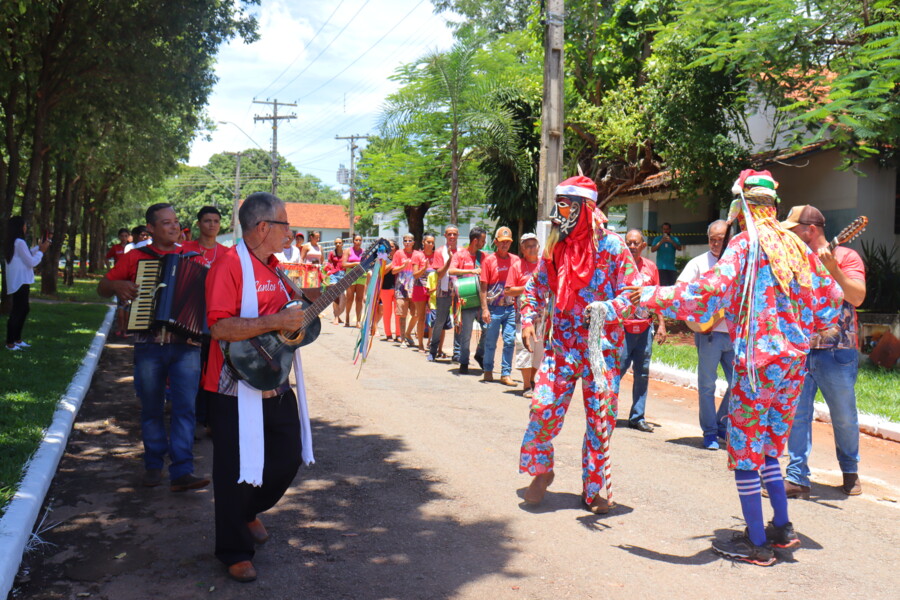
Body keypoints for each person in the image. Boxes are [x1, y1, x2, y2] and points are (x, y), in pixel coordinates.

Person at [631, 170, 843, 566]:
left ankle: (758, 545)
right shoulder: (796, 245)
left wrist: (649, 295)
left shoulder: (746, 244)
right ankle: (782, 529)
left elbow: (706, 292)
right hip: (793, 367)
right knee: (768, 450)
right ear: (774, 207)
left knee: (745, 451)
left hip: (757, 367)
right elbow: (831, 301)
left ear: (742, 208)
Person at [203, 192, 313, 583]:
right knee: (233, 471)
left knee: (288, 456)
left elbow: (287, 322)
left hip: (274, 381)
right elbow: (220, 327)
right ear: (263, 227)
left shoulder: (276, 268)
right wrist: (277, 322)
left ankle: (247, 510)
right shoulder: (228, 265)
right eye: (285, 224)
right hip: (232, 386)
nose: (291, 232)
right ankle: (234, 549)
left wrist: (305, 313)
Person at [519, 175, 638, 515]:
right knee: (542, 408)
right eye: (558, 204)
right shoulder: (557, 245)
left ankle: (594, 489)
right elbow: (536, 287)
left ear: (585, 208)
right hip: (562, 347)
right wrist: (528, 319)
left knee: (601, 421)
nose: (560, 212)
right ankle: (542, 471)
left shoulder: (613, 247)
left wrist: (607, 308)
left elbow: (633, 296)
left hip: (602, 352)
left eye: (567, 205)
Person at [97, 203, 210, 493]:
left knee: (186, 408)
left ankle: (182, 470)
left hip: (186, 346)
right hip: (149, 345)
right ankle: (152, 464)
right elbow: (102, 286)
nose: (174, 227)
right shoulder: (135, 257)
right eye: (166, 223)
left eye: (176, 222)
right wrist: (119, 285)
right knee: (151, 407)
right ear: (151, 229)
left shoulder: (194, 257)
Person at [782, 205, 866, 498]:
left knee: (843, 416)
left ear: (811, 230)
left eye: (795, 230)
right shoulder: (796, 260)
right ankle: (797, 476)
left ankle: (850, 470)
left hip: (837, 352)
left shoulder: (846, 257)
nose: (791, 235)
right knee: (797, 415)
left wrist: (834, 271)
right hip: (802, 350)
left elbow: (856, 296)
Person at [677, 220, 734, 450]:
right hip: (708, 333)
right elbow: (681, 289)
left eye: (720, 239)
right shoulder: (698, 263)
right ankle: (710, 432)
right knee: (708, 385)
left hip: (734, 334)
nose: (716, 243)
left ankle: (721, 422)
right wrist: (700, 311)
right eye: (712, 238)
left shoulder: (737, 264)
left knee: (740, 383)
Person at [181, 206, 229, 436]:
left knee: (215, 372)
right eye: (207, 220)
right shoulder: (185, 249)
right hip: (189, 320)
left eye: (216, 221)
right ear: (198, 224)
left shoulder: (228, 254)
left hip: (217, 321)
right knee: (192, 373)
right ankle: (193, 420)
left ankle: (211, 420)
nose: (212, 224)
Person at [619, 229, 667, 432]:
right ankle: (603, 410)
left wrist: (661, 324)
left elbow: (657, 298)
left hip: (644, 328)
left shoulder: (651, 268)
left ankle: (637, 416)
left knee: (642, 374)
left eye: (635, 243)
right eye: (628, 243)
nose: (632, 246)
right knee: (616, 370)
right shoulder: (619, 268)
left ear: (643, 246)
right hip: (622, 328)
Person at [479, 226, 520, 385]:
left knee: (509, 340)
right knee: (490, 341)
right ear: (496, 242)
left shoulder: (515, 260)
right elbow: (483, 287)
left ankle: (505, 373)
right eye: (502, 242)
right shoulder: (489, 261)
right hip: (493, 308)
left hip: (510, 308)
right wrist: (484, 309)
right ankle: (488, 370)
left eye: (508, 242)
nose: (505, 245)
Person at [504, 232, 541, 397]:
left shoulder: (544, 265)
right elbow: (508, 291)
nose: (532, 248)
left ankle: (533, 381)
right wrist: (528, 287)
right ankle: (526, 385)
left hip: (543, 314)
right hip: (523, 314)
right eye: (528, 246)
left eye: (534, 245)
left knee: (539, 348)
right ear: (523, 249)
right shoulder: (517, 266)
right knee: (524, 347)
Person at [4, 216, 50, 351]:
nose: (25, 228)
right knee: (18, 311)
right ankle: (10, 342)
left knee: (23, 309)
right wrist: (41, 251)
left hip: (18, 280)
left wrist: (39, 247)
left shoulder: (13, 242)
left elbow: (27, 255)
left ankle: (17, 340)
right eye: (24, 225)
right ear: (19, 227)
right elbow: (31, 262)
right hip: (21, 281)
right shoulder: (19, 242)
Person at [449, 227, 487, 373]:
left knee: (487, 328)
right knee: (466, 333)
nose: (484, 243)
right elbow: (451, 271)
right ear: (475, 240)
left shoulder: (483, 256)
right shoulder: (460, 255)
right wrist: (471, 271)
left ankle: (480, 354)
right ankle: (464, 362)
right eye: (482, 240)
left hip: (481, 300)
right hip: (466, 300)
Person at [427, 225, 460, 362]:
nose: (452, 237)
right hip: (443, 290)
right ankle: (433, 350)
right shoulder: (440, 252)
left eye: (454, 234)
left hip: (459, 291)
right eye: (449, 234)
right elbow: (439, 274)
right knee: (439, 322)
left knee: (459, 321)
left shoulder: (462, 252)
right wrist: (449, 262)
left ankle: (457, 353)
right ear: (445, 236)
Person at [392, 234, 424, 348]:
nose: (407, 242)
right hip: (401, 287)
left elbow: (422, 268)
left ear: (413, 242)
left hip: (415, 287)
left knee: (416, 314)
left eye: (409, 240)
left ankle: (407, 333)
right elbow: (393, 270)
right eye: (405, 240)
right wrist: (403, 266)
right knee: (402, 314)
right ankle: (402, 340)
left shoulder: (418, 254)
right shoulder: (398, 253)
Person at [413, 233, 443, 351]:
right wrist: (424, 268)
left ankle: (431, 343)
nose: (430, 244)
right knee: (421, 317)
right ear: (423, 242)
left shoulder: (437, 255)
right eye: (428, 242)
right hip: (420, 288)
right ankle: (420, 343)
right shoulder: (418, 256)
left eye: (432, 242)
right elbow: (415, 275)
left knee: (433, 318)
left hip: (433, 291)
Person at [376, 240, 400, 340]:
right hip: (385, 288)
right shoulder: (383, 257)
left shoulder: (399, 257)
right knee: (387, 312)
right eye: (388, 246)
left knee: (398, 312)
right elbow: (382, 272)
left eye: (392, 246)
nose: (390, 248)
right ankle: (388, 334)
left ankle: (398, 334)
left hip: (398, 288)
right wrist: (392, 264)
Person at [343, 234, 367, 328]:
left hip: (361, 275)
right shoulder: (348, 251)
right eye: (356, 240)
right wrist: (355, 263)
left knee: (359, 299)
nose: (358, 242)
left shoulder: (364, 252)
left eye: (360, 240)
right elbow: (344, 264)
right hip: (351, 273)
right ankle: (347, 317)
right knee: (350, 298)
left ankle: (358, 320)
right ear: (353, 241)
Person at [325, 237, 347, 325]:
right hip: (334, 275)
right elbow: (329, 263)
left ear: (342, 244)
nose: (338, 244)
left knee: (343, 296)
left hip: (343, 275)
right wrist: (329, 270)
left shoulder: (345, 253)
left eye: (339, 243)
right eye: (336, 243)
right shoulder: (332, 253)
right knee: (335, 296)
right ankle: (336, 317)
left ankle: (338, 314)